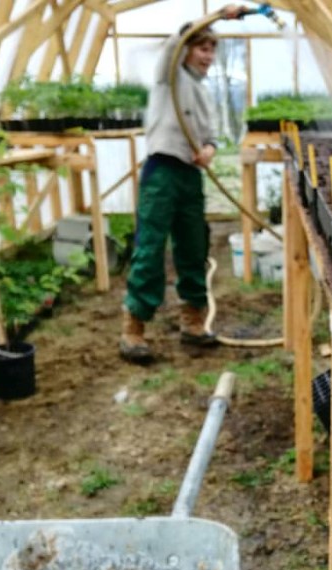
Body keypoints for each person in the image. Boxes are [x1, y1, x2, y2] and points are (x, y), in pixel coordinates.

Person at [119, 5, 250, 362]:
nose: (208, 56)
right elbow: (173, 45)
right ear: (187, 49)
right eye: (202, 48)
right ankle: (134, 328)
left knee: (194, 246)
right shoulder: (169, 76)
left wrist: (208, 149)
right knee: (150, 248)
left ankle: (192, 322)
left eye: (212, 50)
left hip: (189, 177)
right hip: (161, 172)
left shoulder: (203, 93)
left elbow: (210, 137)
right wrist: (217, 16)